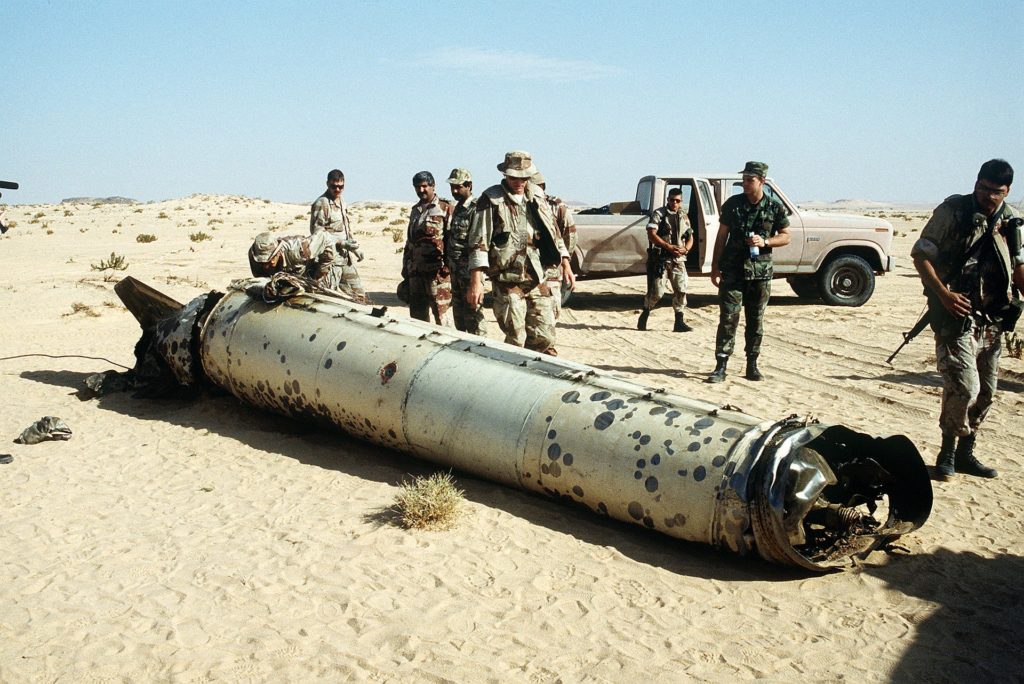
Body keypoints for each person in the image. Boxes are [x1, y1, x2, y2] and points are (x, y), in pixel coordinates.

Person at [911, 158, 1023, 480]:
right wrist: (944, 295)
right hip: (955, 315)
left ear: (1007, 191)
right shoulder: (952, 212)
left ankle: (965, 454)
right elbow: (920, 256)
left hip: (993, 319)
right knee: (964, 386)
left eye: (997, 192)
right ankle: (946, 452)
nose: (989, 197)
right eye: (984, 189)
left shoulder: (1012, 220)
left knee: (987, 392)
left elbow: (1018, 265)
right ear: (976, 183)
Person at [466, 151, 575, 354]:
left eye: (524, 178)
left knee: (545, 336)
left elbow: (554, 232)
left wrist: (566, 262)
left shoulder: (537, 196)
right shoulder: (491, 199)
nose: (520, 182)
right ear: (505, 175)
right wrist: (476, 282)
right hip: (508, 279)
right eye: (515, 177)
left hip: (537, 275)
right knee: (516, 337)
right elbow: (478, 242)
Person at [707, 161, 791, 383]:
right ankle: (721, 365)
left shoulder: (774, 207)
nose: (744, 183)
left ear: (761, 181)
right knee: (728, 318)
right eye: (743, 179)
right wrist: (715, 266)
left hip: (760, 274)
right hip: (732, 271)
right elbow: (721, 236)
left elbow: (786, 236)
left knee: (756, 319)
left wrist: (765, 241)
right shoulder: (733, 204)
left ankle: (752, 365)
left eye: (749, 180)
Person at [637, 187, 694, 332]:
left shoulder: (683, 216)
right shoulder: (659, 214)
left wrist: (685, 249)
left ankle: (679, 321)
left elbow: (690, 236)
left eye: (677, 201)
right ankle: (645, 312)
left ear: (681, 202)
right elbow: (651, 234)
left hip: (678, 259)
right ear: (667, 200)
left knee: (681, 289)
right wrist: (667, 246)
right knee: (657, 292)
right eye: (672, 200)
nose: (674, 203)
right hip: (661, 258)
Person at [404, 171, 454, 326]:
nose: (421, 190)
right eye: (417, 187)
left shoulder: (445, 208)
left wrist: (448, 268)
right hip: (416, 272)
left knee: (441, 317)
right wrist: (406, 267)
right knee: (417, 318)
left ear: (433, 186)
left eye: (424, 186)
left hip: (437, 274)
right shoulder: (415, 210)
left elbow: (452, 240)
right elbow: (410, 242)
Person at [310, 169, 368, 302]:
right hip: (330, 260)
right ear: (327, 184)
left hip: (345, 258)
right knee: (329, 298)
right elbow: (317, 234)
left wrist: (354, 248)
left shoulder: (342, 202)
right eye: (333, 186)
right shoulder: (322, 203)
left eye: (340, 187)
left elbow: (345, 229)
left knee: (359, 296)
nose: (337, 189)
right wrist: (340, 243)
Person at [445, 168, 486, 335]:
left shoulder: (476, 209)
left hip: (470, 273)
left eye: (458, 187)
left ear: (469, 186)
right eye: (452, 187)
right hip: (456, 272)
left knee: (474, 317)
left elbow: (478, 242)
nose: (455, 191)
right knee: (459, 318)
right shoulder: (458, 209)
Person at [531, 171, 577, 318]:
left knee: (549, 313)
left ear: (542, 186)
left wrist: (563, 260)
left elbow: (569, 235)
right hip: (528, 269)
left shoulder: (555, 206)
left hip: (550, 267)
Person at [248, 231, 337, 283]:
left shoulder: (299, 250)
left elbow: (325, 238)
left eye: (272, 257)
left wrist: (319, 276)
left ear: (278, 251)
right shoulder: (254, 256)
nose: (270, 262)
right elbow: (261, 279)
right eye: (264, 262)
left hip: (310, 275)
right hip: (286, 281)